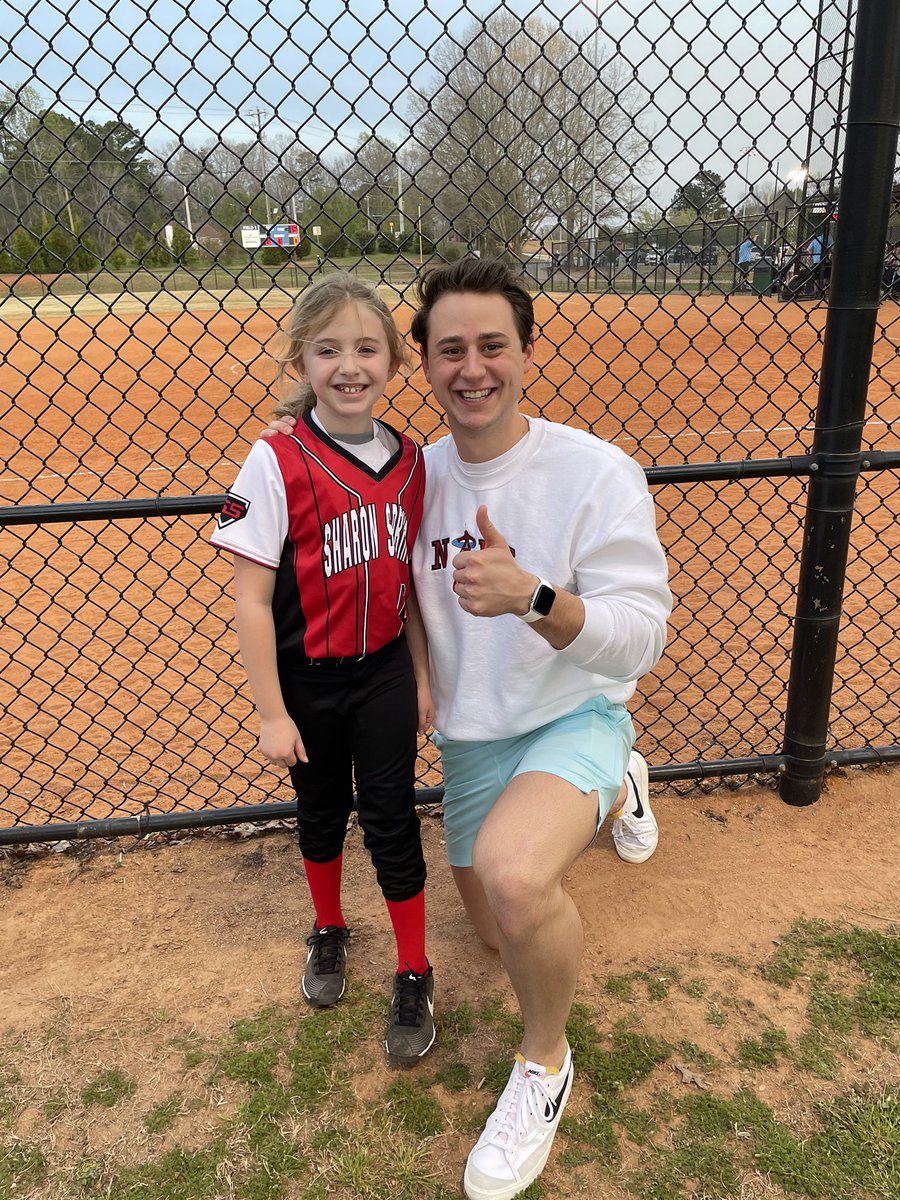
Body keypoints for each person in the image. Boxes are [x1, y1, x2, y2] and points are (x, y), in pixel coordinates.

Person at [266, 258, 671, 1200]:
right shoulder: (411, 470)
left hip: (575, 708)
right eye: (451, 348)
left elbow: (641, 636)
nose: (473, 366)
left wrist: (535, 598)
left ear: (526, 352)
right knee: (492, 933)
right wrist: (300, 431)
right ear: (426, 361)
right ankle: (624, 787)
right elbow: (329, 466)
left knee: (518, 878)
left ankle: (543, 1065)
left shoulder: (593, 471)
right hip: (479, 739)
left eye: (494, 345)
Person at [211, 272, 436, 1065]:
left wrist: (422, 677)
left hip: (380, 672)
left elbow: (408, 583)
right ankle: (330, 929)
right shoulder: (276, 457)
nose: (349, 365)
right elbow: (249, 597)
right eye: (327, 348)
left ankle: (415, 968)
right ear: (300, 360)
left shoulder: (412, 463)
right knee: (318, 810)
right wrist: (272, 710)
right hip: (305, 678)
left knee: (392, 818)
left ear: (393, 362)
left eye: (367, 348)